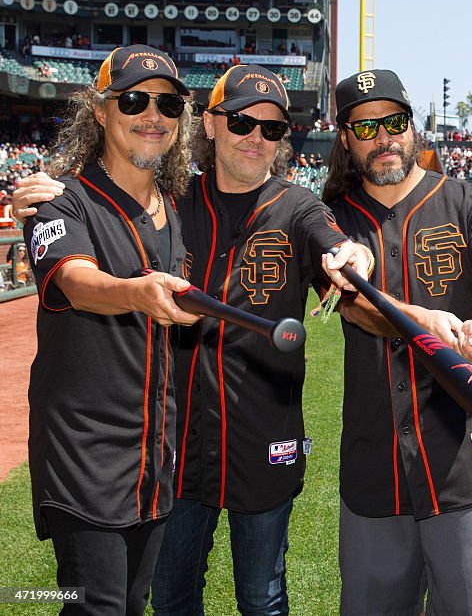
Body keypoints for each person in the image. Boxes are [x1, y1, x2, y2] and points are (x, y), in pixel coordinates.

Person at [13, 64, 373, 615]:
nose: (255, 138)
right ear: (208, 124)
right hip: (153, 448)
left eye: (272, 129)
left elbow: (336, 245)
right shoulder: (168, 198)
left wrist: (356, 254)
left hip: (240, 441)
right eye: (240, 122)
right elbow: (75, 270)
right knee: (136, 597)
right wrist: (43, 193)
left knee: (251, 597)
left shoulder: (289, 205)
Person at [321, 69, 472, 615]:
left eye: (394, 122)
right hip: (374, 465)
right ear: (345, 138)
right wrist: (424, 326)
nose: (383, 137)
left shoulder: (464, 200)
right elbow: (357, 305)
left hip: (461, 458)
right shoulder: (328, 222)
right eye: (365, 128)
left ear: (412, 128)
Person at [22, 44, 201, 614]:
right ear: (100, 112)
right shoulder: (60, 200)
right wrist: (137, 293)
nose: (153, 115)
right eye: (134, 100)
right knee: (94, 603)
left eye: (168, 104)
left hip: (153, 453)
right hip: (84, 453)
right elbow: (76, 281)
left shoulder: (177, 206)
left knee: (128, 601)